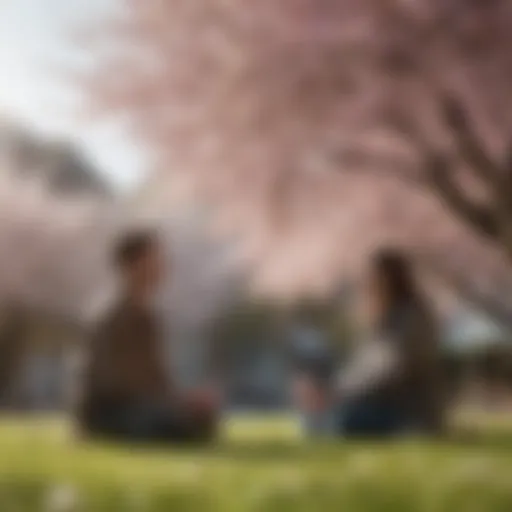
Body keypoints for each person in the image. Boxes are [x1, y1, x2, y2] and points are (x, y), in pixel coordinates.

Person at [77, 230, 218, 443]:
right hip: (111, 411)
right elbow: (115, 380)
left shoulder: (147, 315)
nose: (162, 267)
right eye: (154, 259)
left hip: (137, 405)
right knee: (180, 423)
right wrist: (174, 402)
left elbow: (157, 375)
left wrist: (183, 400)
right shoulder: (116, 314)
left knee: (199, 417)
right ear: (133, 266)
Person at [333, 249, 446, 437]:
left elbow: (392, 369)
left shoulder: (412, 318)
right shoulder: (383, 319)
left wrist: (345, 391)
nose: (367, 284)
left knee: (343, 419)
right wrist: (338, 388)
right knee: (329, 416)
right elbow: (365, 366)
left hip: (408, 413)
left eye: (374, 278)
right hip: (384, 405)